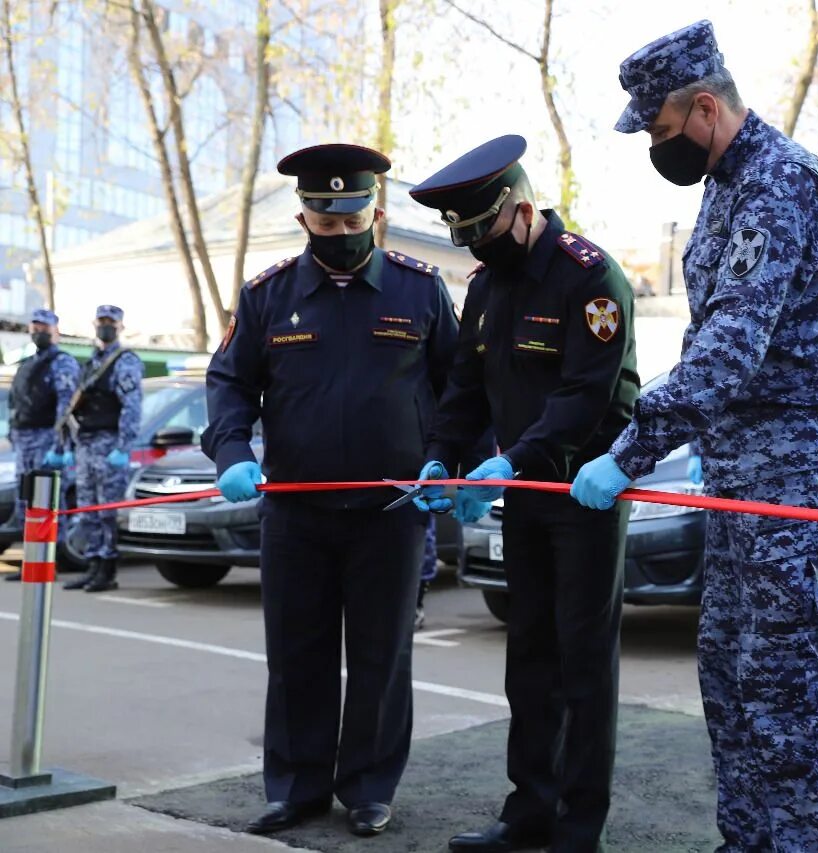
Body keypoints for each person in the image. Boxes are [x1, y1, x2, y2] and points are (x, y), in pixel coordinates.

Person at [569, 20, 818, 852]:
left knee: (782, 697)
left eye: (660, 128)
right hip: (737, 480)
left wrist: (629, 452)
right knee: (730, 683)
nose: (657, 146)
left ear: (704, 108)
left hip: (790, 489)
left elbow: (728, 351)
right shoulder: (727, 187)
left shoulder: (779, 184)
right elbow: (707, 343)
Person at [201, 143, 461, 838]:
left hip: (391, 511)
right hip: (295, 510)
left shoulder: (420, 289)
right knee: (297, 655)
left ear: (375, 213)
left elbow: (457, 388)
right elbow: (229, 382)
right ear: (304, 217)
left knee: (381, 656)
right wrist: (230, 449)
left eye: (353, 224)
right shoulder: (268, 295)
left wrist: (447, 461)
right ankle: (296, 787)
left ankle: (370, 788)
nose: (342, 238)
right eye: (327, 225)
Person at [409, 135, 639, 853]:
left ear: (523, 209)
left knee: (581, 661)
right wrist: (443, 458)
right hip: (522, 493)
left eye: (483, 230)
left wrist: (517, 458)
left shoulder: (590, 277)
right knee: (528, 653)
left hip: (584, 493)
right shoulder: (486, 286)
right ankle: (528, 809)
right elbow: (466, 387)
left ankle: (579, 825)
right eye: (464, 236)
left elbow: (586, 395)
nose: (477, 248)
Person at [62, 305, 143, 594]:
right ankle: (93, 564)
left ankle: (107, 569)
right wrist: (69, 444)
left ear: (120, 326)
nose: (105, 327)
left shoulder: (125, 361)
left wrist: (124, 446)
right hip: (86, 444)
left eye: (111, 322)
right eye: (101, 321)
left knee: (107, 509)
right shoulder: (92, 362)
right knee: (87, 508)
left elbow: (131, 407)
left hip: (109, 444)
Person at [0, 308, 78, 581]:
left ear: (55, 330)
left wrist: (59, 446)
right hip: (24, 442)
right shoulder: (27, 363)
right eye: (34, 327)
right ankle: (30, 560)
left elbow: (65, 406)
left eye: (44, 327)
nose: (38, 332)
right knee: (27, 504)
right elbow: (15, 403)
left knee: (47, 503)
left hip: (46, 439)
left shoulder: (62, 363)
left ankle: (50, 562)